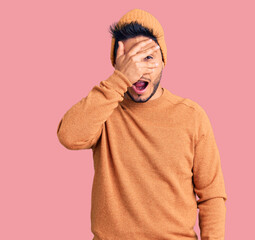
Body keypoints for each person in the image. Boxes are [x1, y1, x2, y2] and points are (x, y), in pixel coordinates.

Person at [56, 8, 228, 240]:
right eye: (129, 60)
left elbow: (211, 196)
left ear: (163, 60)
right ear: (117, 63)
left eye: (148, 58)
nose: (139, 70)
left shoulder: (192, 116)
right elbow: (69, 136)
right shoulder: (104, 109)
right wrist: (119, 79)